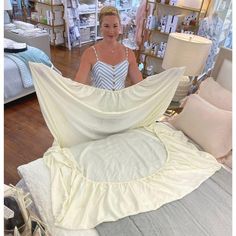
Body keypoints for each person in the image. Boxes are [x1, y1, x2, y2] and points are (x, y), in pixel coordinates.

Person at [75, 6, 143, 90]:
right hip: (98, 101)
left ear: (119, 27)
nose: (111, 31)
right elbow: (78, 86)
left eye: (115, 26)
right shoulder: (90, 53)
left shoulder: (129, 54)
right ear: (101, 28)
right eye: (106, 26)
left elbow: (139, 84)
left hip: (120, 102)